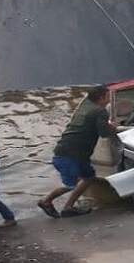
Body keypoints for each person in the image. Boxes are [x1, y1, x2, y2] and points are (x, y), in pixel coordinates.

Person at [38, 85, 117, 218]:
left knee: (89, 177)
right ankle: (46, 201)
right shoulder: (100, 111)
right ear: (102, 97)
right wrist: (113, 127)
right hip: (70, 155)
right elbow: (104, 133)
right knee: (70, 184)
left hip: (70, 151)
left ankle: (68, 207)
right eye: (108, 96)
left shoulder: (85, 105)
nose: (109, 99)